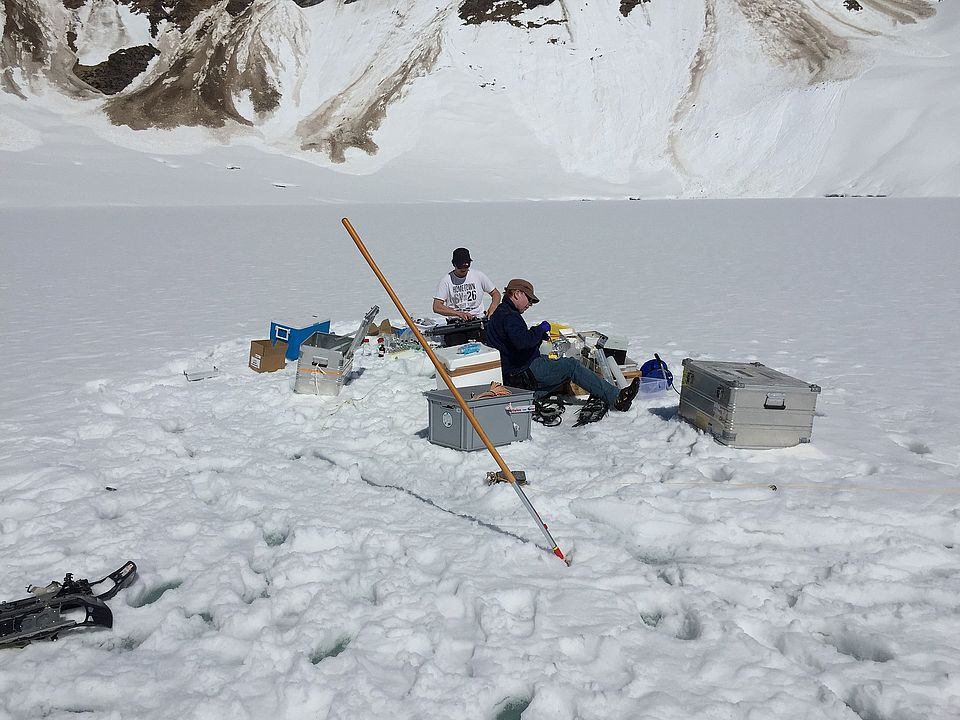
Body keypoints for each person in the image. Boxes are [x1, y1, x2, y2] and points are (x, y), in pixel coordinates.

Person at [485, 278, 640, 421]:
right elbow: (522, 342)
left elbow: (515, 340)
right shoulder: (509, 316)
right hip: (524, 370)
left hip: (515, 373)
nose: (530, 304)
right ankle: (617, 398)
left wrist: (537, 336)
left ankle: (532, 396)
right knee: (571, 366)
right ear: (517, 293)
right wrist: (539, 330)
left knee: (560, 365)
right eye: (529, 299)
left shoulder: (501, 312)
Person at [432, 247, 501, 346]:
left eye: (467, 265)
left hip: (477, 320)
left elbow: (495, 294)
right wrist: (458, 314)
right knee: (457, 345)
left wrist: (492, 309)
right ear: (454, 264)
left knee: (483, 343)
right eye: (460, 266)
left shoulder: (478, 276)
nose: (464, 269)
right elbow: (437, 306)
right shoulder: (446, 281)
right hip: (456, 323)